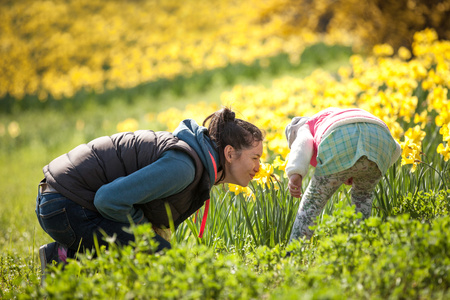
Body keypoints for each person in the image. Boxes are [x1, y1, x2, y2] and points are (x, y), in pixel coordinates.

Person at [36, 107, 264, 271]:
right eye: (255, 157)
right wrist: (145, 231)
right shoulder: (184, 168)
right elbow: (108, 199)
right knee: (168, 262)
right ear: (230, 153)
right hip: (65, 205)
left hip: (63, 202)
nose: (259, 167)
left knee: (150, 251)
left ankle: (60, 259)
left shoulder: (197, 163)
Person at [284, 107, 401, 242]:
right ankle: (360, 244)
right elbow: (396, 149)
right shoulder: (331, 115)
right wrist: (379, 165)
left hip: (340, 137)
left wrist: (295, 172)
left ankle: (294, 251)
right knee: (363, 196)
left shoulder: (304, 126)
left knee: (314, 199)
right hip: (380, 137)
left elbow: (302, 143)